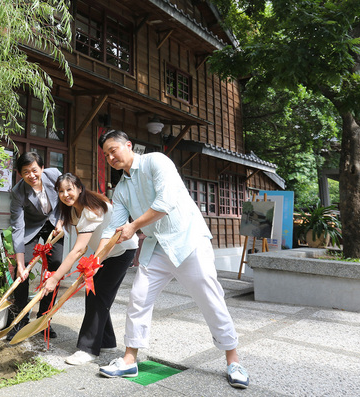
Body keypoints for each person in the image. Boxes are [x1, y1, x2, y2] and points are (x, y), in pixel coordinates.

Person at [96, 129, 250, 389]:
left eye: (114, 150)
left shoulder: (157, 161)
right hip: (157, 246)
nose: (111, 157)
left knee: (210, 298)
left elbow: (164, 203)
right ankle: (129, 360)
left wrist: (133, 227)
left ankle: (233, 361)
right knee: (139, 298)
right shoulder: (121, 189)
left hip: (188, 240)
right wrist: (94, 261)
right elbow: (114, 229)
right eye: (106, 154)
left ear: (129, 145)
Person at [40, 173, 138, 365]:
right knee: (93, 294)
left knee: (99, 295)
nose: (65, 194)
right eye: (61, 191)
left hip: (120, 251)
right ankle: (106, 341)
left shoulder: (90, 209)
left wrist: (54, 278)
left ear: (79, 188)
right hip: (103, 253)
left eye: (69, 189)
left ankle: (88, 349)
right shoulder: (75, 210)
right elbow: (83, 247)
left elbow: (77, 250)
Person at [8, 151, 64, 340]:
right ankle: (20, 320)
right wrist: (21, 264)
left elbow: (67, 198)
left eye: (34, 170)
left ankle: (43, 320)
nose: (31, 175)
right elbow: (17, 226)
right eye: (26, 172)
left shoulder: (55, 175)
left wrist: (61, 221)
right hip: (31, 227)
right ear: (20, 174)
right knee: (21, 271)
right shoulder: (17, 192)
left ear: (41, 168)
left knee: (55, 265)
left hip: (54, 222)